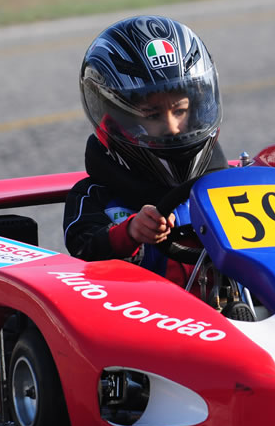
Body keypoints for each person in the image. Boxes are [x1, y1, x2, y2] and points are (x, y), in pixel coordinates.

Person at [63, 15, 228, 285]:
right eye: (153, 115)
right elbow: (83, 248)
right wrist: (129, 232)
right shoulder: (95, 197)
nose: (173, 127)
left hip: (230, 315)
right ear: (118, 120)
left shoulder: (228, 187)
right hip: (138, 317)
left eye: (181, 111)